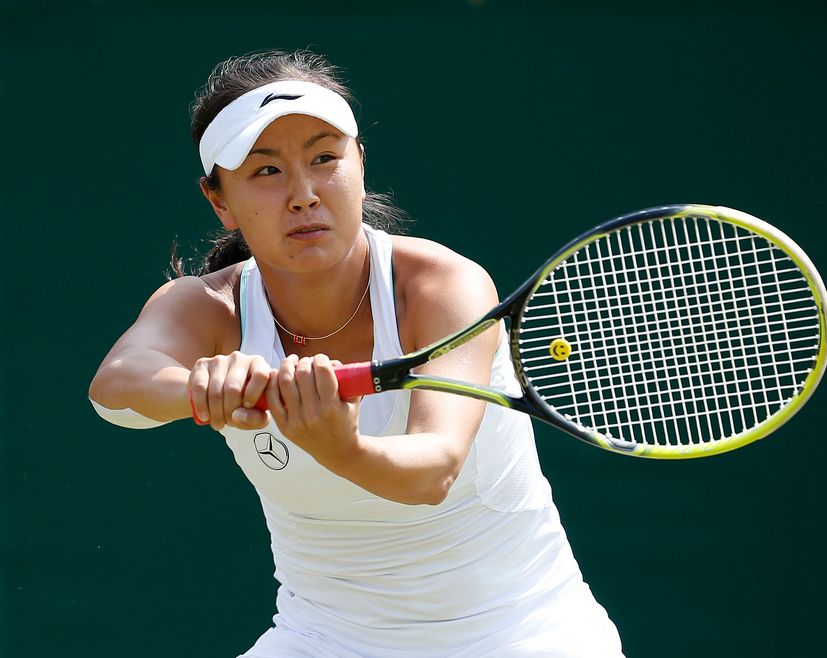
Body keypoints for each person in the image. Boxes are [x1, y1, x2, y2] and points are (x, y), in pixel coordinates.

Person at [89, 49, 624, 657]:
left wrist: (341, 447)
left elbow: (433, 470)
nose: (303, 194)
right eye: (266, 172)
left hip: (521, 638)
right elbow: (116, 386)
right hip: (320, 640)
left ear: (360, 166)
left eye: (324, 159)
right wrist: (202, 386)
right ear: (220, 201)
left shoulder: (441, 286)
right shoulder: (209, 309)